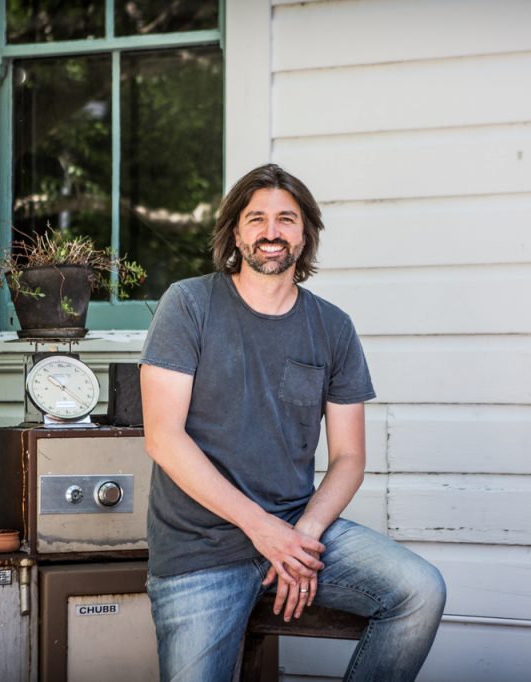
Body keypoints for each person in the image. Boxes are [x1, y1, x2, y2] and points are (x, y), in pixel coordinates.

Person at [140, 164, 446, 681]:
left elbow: (349, 458)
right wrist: (263, 530)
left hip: (297, 530)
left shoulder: (332, 327)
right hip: (201, 550)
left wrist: (302, 535)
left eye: (286, 219)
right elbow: (163, 438)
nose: (271, 231)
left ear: (305, 236)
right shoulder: (189, 304)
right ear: (235, 232)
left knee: (420, 591)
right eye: (256, 218)